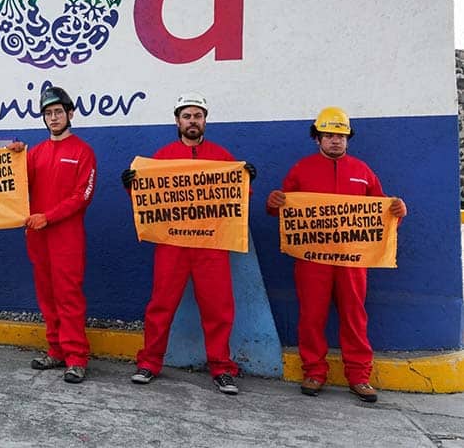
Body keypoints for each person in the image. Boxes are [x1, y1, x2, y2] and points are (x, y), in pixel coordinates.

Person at [266, 106, 407, 403]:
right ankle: (314, 372)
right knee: (311, 316)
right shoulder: (301, 169)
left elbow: (380, 212)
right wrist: (273, 201)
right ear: (317, 138)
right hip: (312, 260)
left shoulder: (363, 171)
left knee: (355, 316)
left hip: (352, 261)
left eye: (341, 135)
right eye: (329, 135)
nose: (335, 141)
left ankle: (359, 376)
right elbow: (280, 209)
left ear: (348, 139)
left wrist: (397, 211)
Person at [121, 92, 255, 395]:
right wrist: (132, 186)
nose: (192, 121)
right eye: (187, 116)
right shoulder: (162, 156)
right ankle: (150, 362)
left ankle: (221, 367)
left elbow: (238, 201)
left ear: (205, 120)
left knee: (219, 307)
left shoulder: (222, 156)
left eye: (197, 115)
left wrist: (247, 182)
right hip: (172, 244)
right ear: (177, 120)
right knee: (161, 304)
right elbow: (150, 201)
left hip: (212, 244)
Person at [9, 86, 96, 384]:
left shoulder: (83, 151)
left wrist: (50, 217)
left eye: (58, 112)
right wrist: (14, 159)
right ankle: (56, 350)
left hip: (66, 236)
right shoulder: (35, 153)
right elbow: (17, 185)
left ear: (70, 114)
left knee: (68, 296)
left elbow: (82, 196)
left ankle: (76, 357)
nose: (54, 117)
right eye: (48, 113)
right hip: (37, 234)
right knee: (47, 296)